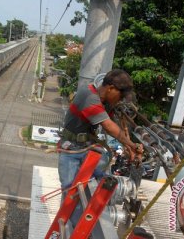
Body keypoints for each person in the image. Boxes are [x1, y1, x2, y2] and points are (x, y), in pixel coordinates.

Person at [57, 69, 144, 224]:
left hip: (87, 147)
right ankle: (74, 225)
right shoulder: (89, 96)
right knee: (70, 191)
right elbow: (108, 126)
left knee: (100, 177)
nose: (120, 100)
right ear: (110, 88)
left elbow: (115, 125)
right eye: (120, 96)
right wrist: (132, 144)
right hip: (71, 151)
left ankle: (94, 213)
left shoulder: (103, 102)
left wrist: (129, 147)